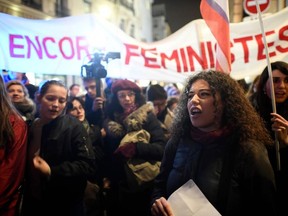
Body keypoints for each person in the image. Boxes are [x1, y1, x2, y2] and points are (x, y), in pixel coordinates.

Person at [151, 70, 277, 216]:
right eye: (190, 95)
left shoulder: (248, 149)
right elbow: (159, 186)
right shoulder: (177, 142)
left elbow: (266, 207)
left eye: (204, 94)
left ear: (225, 102)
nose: (193, 100)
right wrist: (157, 204)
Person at [21, 80, 96, 216]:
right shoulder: (29, 125)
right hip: (33, 199)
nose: (56, 105)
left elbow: (87, 164)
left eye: (61, 101)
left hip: (65, 203)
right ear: (38, 97)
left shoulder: (73, 126)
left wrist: (52, 171)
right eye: (50, 98)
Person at [102, 79, 166, 216]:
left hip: (143, 185)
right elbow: (107, 152)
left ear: (136, 96)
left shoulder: (147, 118)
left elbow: (161, 149)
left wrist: (136, 148)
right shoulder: (111, 121)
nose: (127, 99)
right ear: (116, 99)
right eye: (122, 95)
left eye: (130, 94)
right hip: (118, 185)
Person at [249, 61, 288, 216]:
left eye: (287, 81)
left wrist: (285, 143)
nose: (282, 86)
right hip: (260, 193)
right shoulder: (250, 115)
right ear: (264, 85)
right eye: (275, 80)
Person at [66, 96, 105, 216]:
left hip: (95, 181)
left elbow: (103, 155)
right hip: (75, 184)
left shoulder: (95, 129)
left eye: (81, 107)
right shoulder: (66, 132)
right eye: (73, 109)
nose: (79, 111)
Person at [0, 75, 28, 216]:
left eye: (19, 90)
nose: (16, 93)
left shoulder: (15, 123)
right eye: (12, 90)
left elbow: (10, 172)